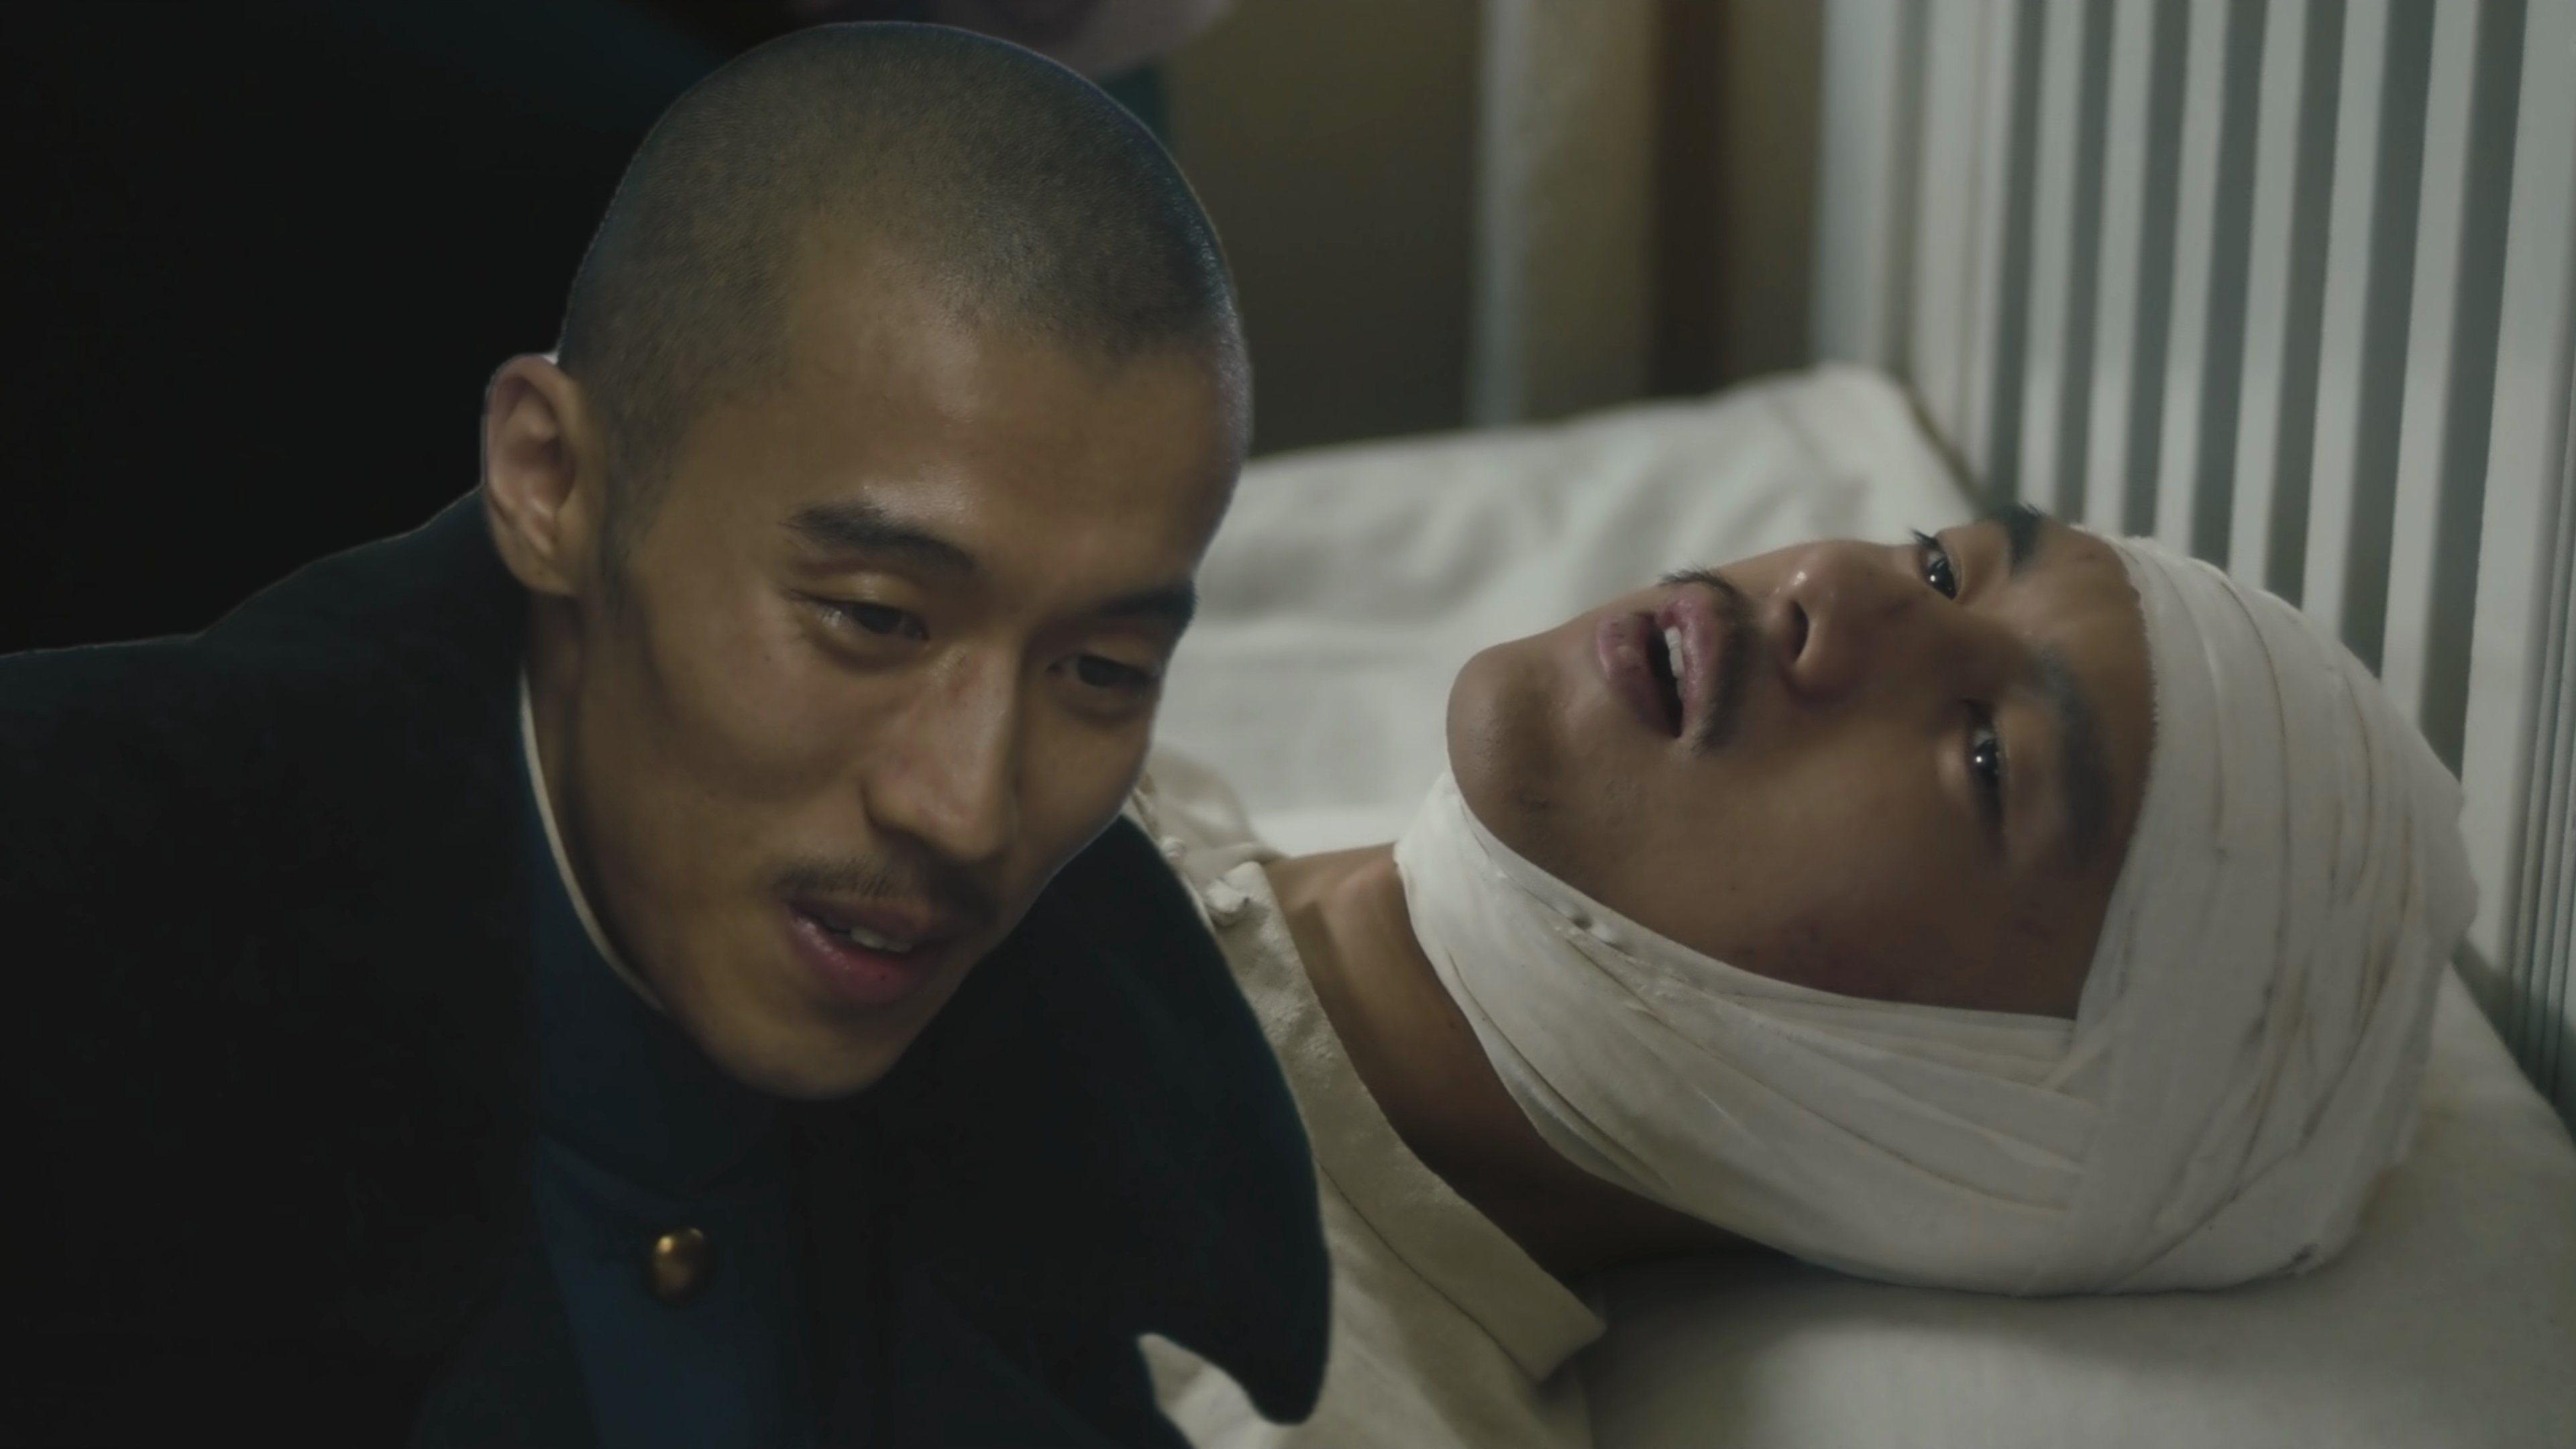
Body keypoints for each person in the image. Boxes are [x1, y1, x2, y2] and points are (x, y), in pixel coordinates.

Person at [2, 24, 1330, 1448]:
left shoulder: (1095, 1113)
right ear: (552, 481)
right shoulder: (76, 931)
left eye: (1101, 672)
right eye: (873, 617)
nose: (965, 809)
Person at [1135, 504, 2477, 1448]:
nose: (1834, 578)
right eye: (1943, 569)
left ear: (1970, 1119)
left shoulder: (1230, 1391)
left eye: (1989, 761)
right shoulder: (1104, 752)